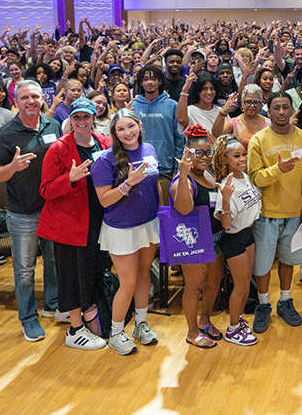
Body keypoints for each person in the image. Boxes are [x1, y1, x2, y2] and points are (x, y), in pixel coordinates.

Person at [0, 80, 62, 341]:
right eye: (24, 98)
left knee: (54, 261)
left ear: (42, 98)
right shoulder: (5, 134)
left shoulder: (53, 125)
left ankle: (53, 304)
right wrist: (13, 167)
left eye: (35, 96)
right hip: (22, 212)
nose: (30, 101)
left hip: (53, 208)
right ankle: (28, 319)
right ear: (16, 102)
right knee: (24, 270)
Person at [38, 97, 111, 351]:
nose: (81, 122)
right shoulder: (58, 148)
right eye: (76, 117)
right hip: (69, 223)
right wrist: (69, 178)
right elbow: (45, 189)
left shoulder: (104, 142)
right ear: (70, 119)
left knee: (92, 271)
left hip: (97, 219)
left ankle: (91, 314)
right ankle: (75, 328)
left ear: (94, 119)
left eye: (86, 117)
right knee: (71, 276)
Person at [91, 109, 161, 356]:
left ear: (139, 125)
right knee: (128, 282)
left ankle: (141, 324)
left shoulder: (150, 150)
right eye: (121, 129)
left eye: (130, 126)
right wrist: (128, 183)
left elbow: (154, 189)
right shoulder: (105, 160)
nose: (127, 133)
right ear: (115, 133)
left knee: (144, 276)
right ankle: (116, 333)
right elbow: (104, 200)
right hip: (121, 227)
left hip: (148, 223)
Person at [246, 92, 302, 333]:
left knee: (289, 260)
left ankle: (285, 300)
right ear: (270, 111)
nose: (282, 112)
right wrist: (278, 170)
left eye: (286, 107)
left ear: (292, 109)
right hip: (266, 214)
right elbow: (255, 178)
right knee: (263, 265)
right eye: (276, 108)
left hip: (295, 214)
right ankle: (263, 304)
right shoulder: (258, 140)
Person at [169, 126, 222, 349]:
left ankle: (205, 320)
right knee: (193, 287)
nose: (205, 157)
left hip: (216, 238)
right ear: (187, 154)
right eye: (198, 153)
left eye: (208, 152)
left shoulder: (208, 175)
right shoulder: (184, 180)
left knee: (213, 284)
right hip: (194, 243)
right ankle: (192, 332)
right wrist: (182, 176)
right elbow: (182, 208)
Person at [211, 135, 262, 346]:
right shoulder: (226, 185)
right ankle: (232, 329)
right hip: (234, 240)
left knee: (246, 285)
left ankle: (238, 320)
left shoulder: (244, 176)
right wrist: (225, 199)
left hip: (247, 235)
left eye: (244, 154)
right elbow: (224, 224)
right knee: (240, 286)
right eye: (236, 156)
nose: (243, 158)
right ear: (225, 159)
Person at [131, 64, 184, 205]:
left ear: (160, 81)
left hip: (165, 169)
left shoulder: (172, 105)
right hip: (139, 169)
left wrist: (176, 168)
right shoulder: (133, 106)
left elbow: (179, 139)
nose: (149, 82)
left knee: (164, 212)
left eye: (154, 79)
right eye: (146, 79)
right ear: (141, 82)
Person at [213, 84, 269, 148]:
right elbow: (217, 135)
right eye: (248, 102)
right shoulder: (234, 123)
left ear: (261, 104)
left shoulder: (268, 123)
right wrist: (223, 111)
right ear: (242, 103)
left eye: (256, 102)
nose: (252, 106)